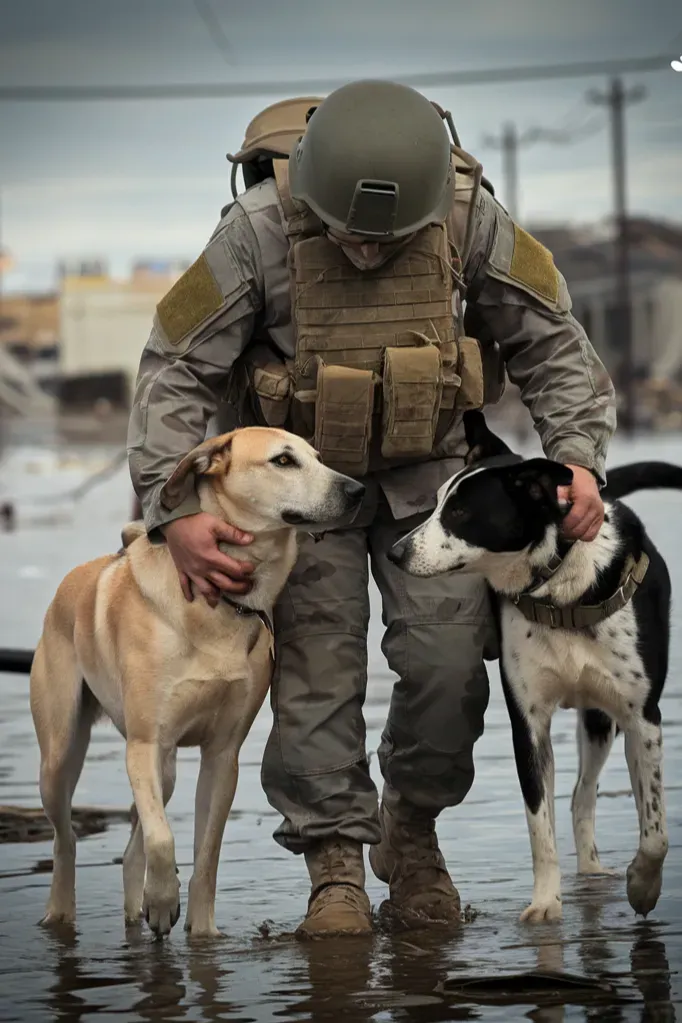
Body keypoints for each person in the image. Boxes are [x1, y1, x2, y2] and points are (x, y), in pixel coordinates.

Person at [127, 80, 616, 939]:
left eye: (382, 241)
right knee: (317, 675)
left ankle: (412, 835)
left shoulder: (469, 220)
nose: (362, 252)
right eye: (349, 235)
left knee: (450, 666)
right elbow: (174, 371)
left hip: (432, 483)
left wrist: (577, 461)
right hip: (295, 494)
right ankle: (334, 868)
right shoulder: (256, 233)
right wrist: (174, 513)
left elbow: (555, 344)